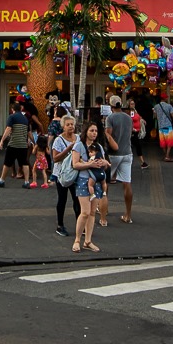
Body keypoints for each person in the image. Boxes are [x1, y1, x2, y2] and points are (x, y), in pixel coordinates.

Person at [70, 121, 109, 253]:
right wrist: (89, 165)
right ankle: (77, 240)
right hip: (83, 180)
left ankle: (88, 241)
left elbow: (103, 163)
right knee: (85, 212)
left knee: (92, 212)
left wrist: (104, 163)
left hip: (96, 180)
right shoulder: (79, 145)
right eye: (91, 130)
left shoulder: (98, 146)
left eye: (96, 131)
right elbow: (75, 164)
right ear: (86, 131)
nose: (94, 133)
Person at [105, 95, 135, 224]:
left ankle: (103, 210)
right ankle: (128, 214)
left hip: (114, 154)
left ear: (111, 106)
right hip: (127, 152)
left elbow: (108, 134)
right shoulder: (128, 117)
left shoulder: (110, 117)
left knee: (105, 182)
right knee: (126, 183)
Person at [51, 113, 81, 237]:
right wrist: (68, 148)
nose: (70, 127)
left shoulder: (78, 138)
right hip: (62, 174)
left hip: (75, 173)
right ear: (63, 126)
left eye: (72, 124)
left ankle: (80, 225)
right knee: (62, 199)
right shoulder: (58, 140)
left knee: (77, 200)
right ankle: (60, 225)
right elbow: (55, 158)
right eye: (68, 125)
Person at [0, 99, 32, 187]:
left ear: (12, 109)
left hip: (13, 143)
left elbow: (8, 129)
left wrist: (2, 140)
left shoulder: (12, 117)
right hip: (23, 144)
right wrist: (33, 141)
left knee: (7, 162)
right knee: (24, 162)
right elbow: (29, 132)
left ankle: (1, 180)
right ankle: (26, 182)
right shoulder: (25, 118)